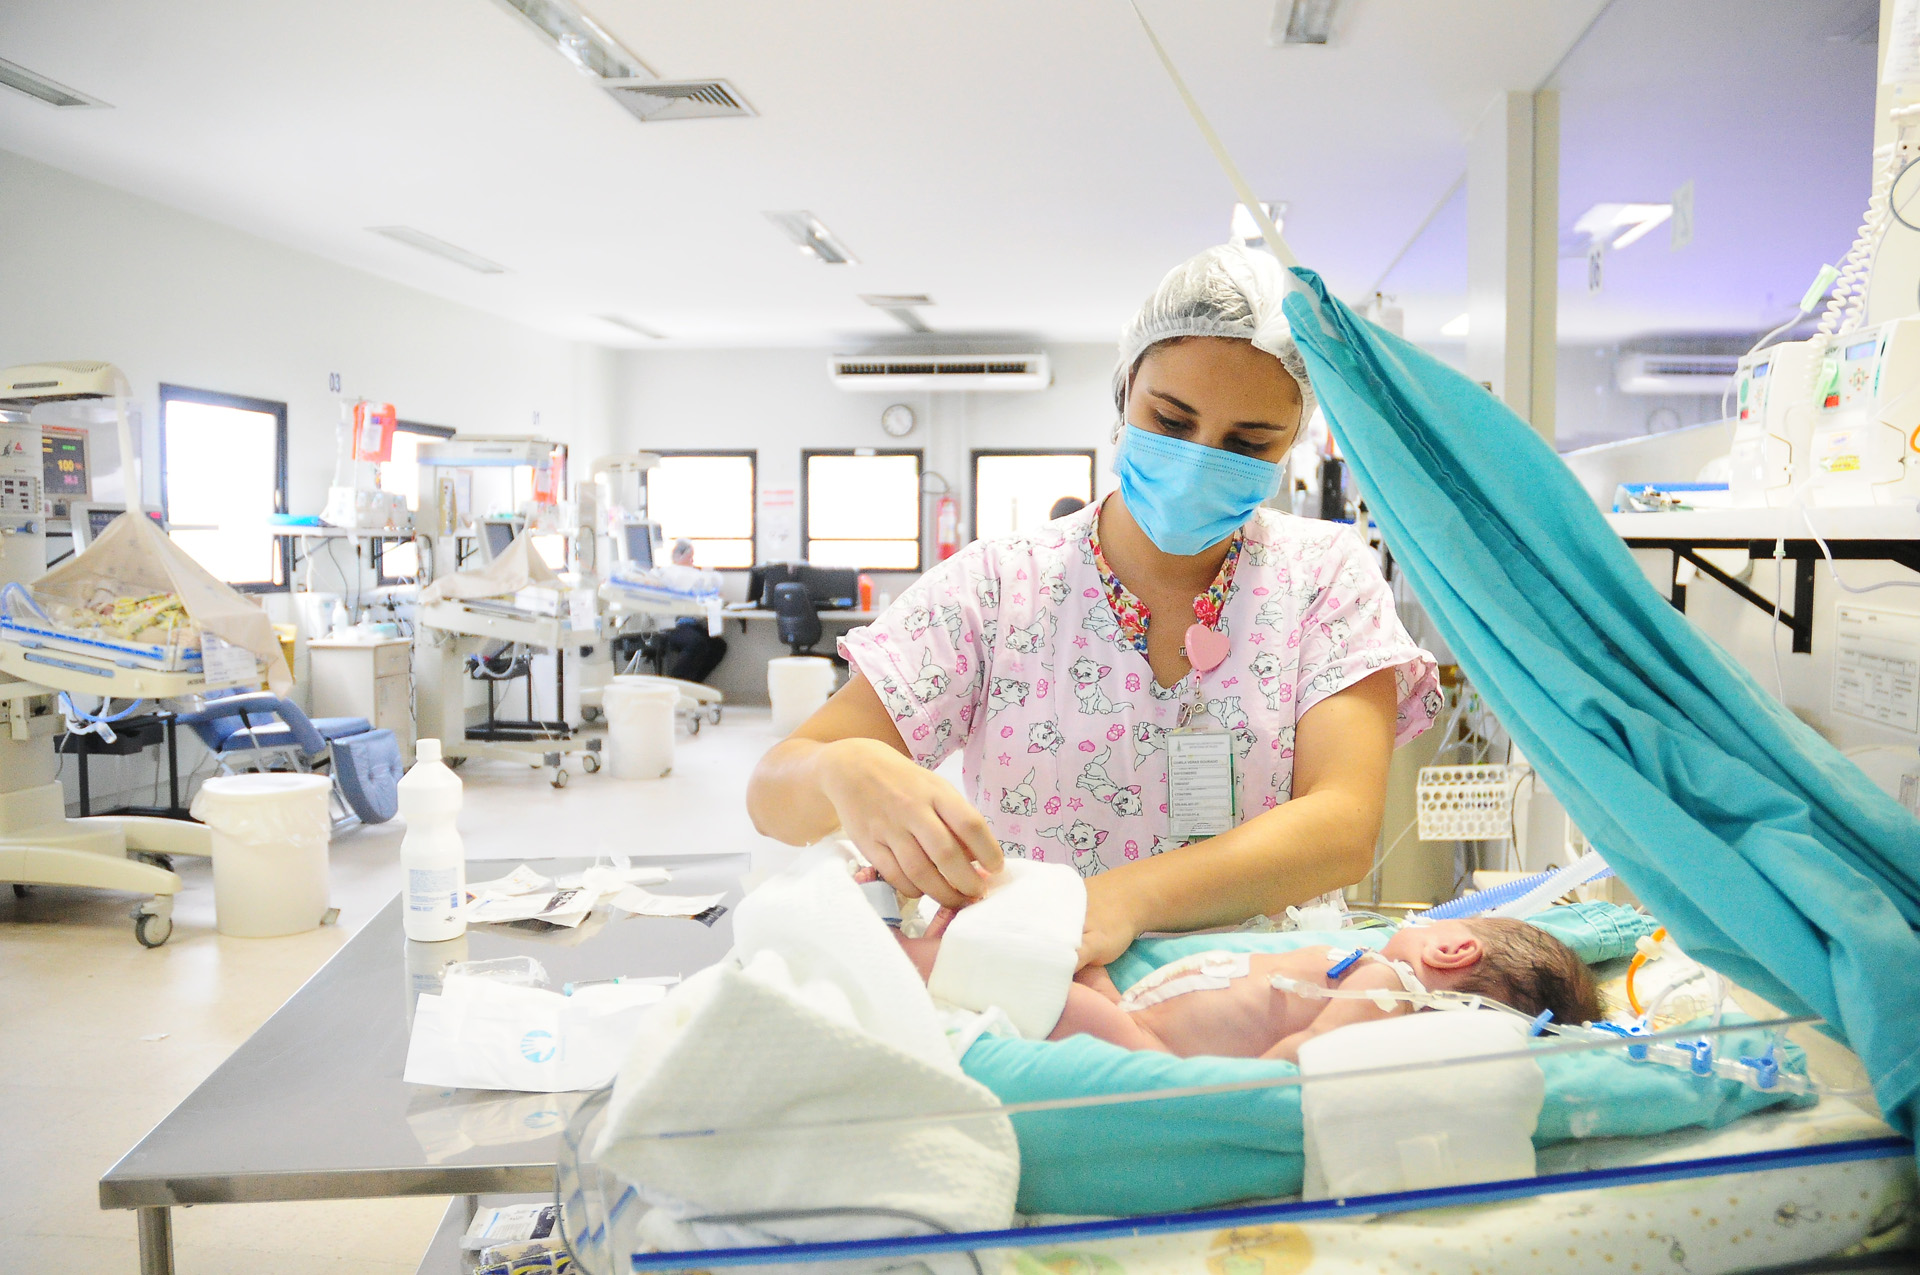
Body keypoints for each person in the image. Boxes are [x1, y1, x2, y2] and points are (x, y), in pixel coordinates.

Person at [748, 243, 1441, 967]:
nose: (1201, 455)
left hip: (1265, 995)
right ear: (1124, 393)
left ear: (1292, 444)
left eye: (1248, 441)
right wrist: (842, 771)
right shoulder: (998, 588)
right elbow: (772, 792)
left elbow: (1342, 826)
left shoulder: (1325, 577)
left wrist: (1118, 901)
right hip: (1045, 985)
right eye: (1172, 421)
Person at [896, 917, 1600, 1062]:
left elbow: (1315, 1046)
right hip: (1135, 1016)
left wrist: (1266, 1079)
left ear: (1453, 948)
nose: (1421, 923)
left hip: (1146, 1045)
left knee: (1036, 975)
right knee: (1061, 947)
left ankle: (900, 957)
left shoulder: (1389, 982)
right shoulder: (1372, 966)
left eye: (1442, 922)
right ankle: (940, 956)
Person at [664, 538, 728, 682]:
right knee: (697, 643)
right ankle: (674, 685)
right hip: (674, 625)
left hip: (691, 623)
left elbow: (707, 587)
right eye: (690, 557)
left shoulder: (691, 574)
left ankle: (694, 685)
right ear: (680, 556)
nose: (692, 560)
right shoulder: (672, 573)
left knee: (718, 646)